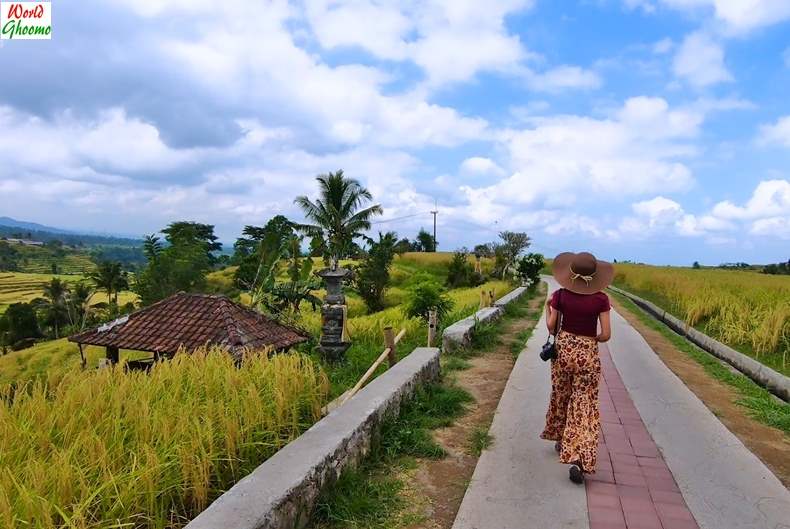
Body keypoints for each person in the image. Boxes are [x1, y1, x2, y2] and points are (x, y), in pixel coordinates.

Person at [540, 251, 614, 484]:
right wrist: (590, 341)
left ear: (571, 274)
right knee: (584, 405)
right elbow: (606, 335)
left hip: (563, 352)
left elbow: (552, 328)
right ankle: (578, 457)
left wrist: (547, 308)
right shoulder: (601, 299)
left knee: (562, 394)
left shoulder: (560, 296)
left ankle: (561, 438)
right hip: (588, 355)